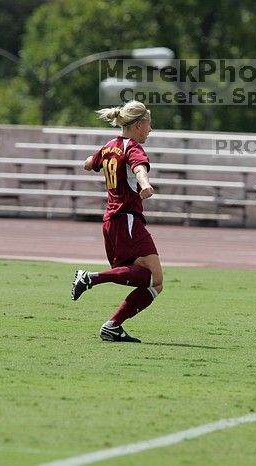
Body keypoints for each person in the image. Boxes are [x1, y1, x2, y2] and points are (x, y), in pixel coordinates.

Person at [71, 100, 162, 343]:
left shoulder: (110, 146)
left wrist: (94, 158)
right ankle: (90, 278)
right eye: (149, 125)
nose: (150, 130)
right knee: (155, 279)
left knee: (151, 281)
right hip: (127, 219)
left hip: (112, 221)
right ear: (139, 125)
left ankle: (112, 327)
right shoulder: (133, 148)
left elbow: (88, 164)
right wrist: (145, 184)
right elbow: (140, 169)